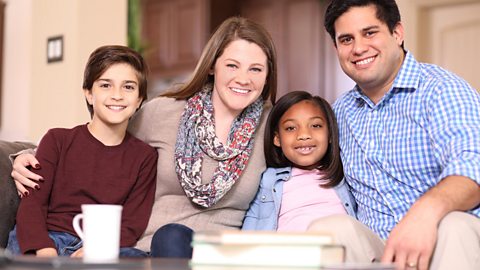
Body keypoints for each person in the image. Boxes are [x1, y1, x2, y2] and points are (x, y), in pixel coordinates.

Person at [10, 17, 278, 258]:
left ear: (267, 76)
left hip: (219, 254)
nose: (243, 78)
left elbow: (309, 152)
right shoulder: (164, 112)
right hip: (155, 246)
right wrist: (25, 156)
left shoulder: (273, 125)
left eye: (256, 69)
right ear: (212, 67)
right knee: (169, 236)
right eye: (232, 65)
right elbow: (101, 135)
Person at [308, 1, 480, 270]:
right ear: (336, 48)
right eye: (346, 39)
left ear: (397, 33)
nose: (358, 48)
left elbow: (473, 167)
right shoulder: (339, 112)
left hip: (446, 243)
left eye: (370, 32)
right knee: (329, 229)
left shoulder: (442, 90)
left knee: (454, 225)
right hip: (378, 251)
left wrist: (424, 214)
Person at [6, 45, 158, 257]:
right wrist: (45, 251)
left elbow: (132, 223)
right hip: (46, 238)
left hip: (100, 246)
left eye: (128, 87)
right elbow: (32, 206)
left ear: (140, 99)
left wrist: (97, 249)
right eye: (106, 85)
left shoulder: (145, 157)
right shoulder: (57, 140)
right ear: (88, 94)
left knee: (137, 257)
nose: (117, 95)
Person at [242, 91, 356, 232]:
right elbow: (253, 219)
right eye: (291, 128)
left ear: (330, 134)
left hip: (339, 249)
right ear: (277, 139)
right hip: (290, 250)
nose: (304, 135)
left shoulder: (344, 175)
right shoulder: (269, 180)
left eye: (315, 126)